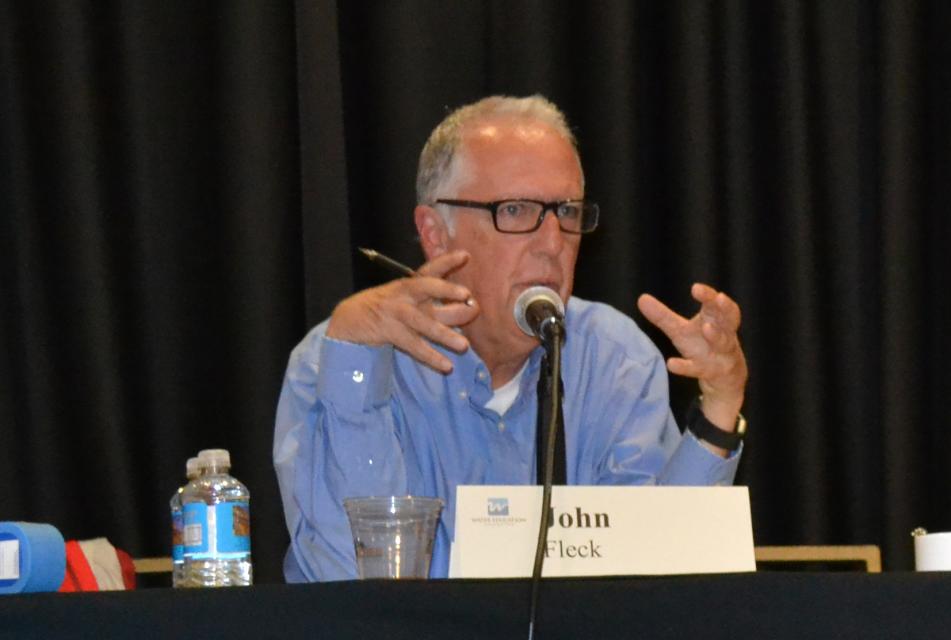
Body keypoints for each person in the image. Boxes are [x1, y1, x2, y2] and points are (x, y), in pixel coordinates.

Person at [273, 95, 749, 582]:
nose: (551, 242)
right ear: (436, 234)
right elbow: (347, 580)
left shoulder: (615, 359)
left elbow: (655, 579)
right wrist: (357, 368)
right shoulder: (338, 361)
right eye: (516, 210)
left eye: (566, 211)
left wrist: (717, 412)